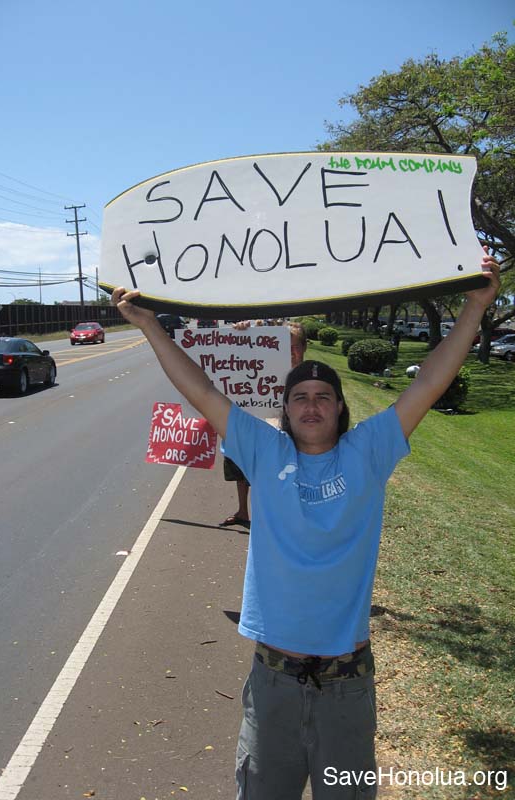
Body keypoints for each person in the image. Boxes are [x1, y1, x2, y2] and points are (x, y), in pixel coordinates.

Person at [111, 248, 499, 800]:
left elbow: (429, 383)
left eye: (323, 397)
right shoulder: (263, 452)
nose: (311, 406)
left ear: (341, 410)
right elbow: (199, 389)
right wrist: (150, 326)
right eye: (299, 398)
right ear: (285, 408)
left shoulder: (369, 453)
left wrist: (476, 307)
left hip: (348, 683)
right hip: (273, 680)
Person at [220, 322, 307, 529]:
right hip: (258, 430)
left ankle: (277, 519)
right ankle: (243, 512)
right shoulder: (266, 367)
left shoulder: (309, 376)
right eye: (286, 347)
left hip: (291, 439)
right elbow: (236, 366)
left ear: (305, 347)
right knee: (240, 470)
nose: (292, 352)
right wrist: (244, 335)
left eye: (296, 347)